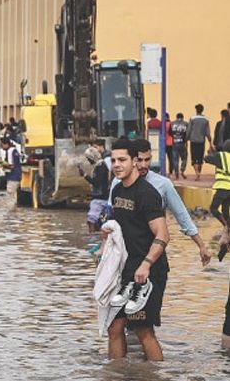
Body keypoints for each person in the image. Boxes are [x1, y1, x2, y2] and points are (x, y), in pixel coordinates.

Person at [105, 138, 169, 361]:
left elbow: (163, 235)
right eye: (113, 160)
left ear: (134, 161)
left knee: (143, 329)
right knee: (114, 326)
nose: (117, 165)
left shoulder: (147, 193)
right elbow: (123, 228)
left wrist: (146, 264)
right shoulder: (117, 191)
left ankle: (156, 378)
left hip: (150, 269)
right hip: (128, 268)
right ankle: (116, 377)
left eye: (122, 160)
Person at [109, 138, 211, 266]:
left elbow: (181, 215)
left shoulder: (162, 184)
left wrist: (201, 246)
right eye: (140, 160)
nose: (143, 165)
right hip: (125, 258)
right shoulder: (118, 184)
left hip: (152, 256)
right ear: (133, 160)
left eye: (147, 160)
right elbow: (112, 218)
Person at [80, 139, 110, 233]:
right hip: (101, 197)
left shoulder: (101, 166)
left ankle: (92, 237)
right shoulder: (99, 165)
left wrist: (85, 175)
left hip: (100, 198)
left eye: (89, 159)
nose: (89, 161)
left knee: (91, 221)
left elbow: (96, 182)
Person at [205, 140, 230, 227]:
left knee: (213, 208)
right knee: (225, 210)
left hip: (223, 186)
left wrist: (210, 152)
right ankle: (228, 228)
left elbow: (207, 159)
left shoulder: (221, 155)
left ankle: (226, 226)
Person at [188, 104, 211, 181]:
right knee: (200, 158)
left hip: (193, 141)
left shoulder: (192, 118)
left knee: (194, 158)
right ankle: (199, 173)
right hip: (202, 141)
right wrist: (210, 140)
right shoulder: (206, 120)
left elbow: (189, 130)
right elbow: (207, 132)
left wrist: (186, 139)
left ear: (196, 110)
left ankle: (197, 173)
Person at [0, 137, 22, 204]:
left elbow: (11, 165)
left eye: (2, 145)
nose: (1, 147)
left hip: (13, 177)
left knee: (10, 196)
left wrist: (1, 162)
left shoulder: (10, 151)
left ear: (6, 144)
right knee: (13, 195)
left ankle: (11, 209)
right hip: (16, 176)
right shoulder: (14, 150)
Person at [169, 112, 190, 179]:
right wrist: (186, 140)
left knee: (175, 159)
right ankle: (182, 169)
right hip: (182, 143)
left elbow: (170, 132)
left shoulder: (172, 123)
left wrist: (174, 137)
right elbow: (188, 133)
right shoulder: (186, 124)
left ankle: (176, 173)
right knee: (184, 158)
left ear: (176, 117)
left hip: (174, 143)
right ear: (182, 117)